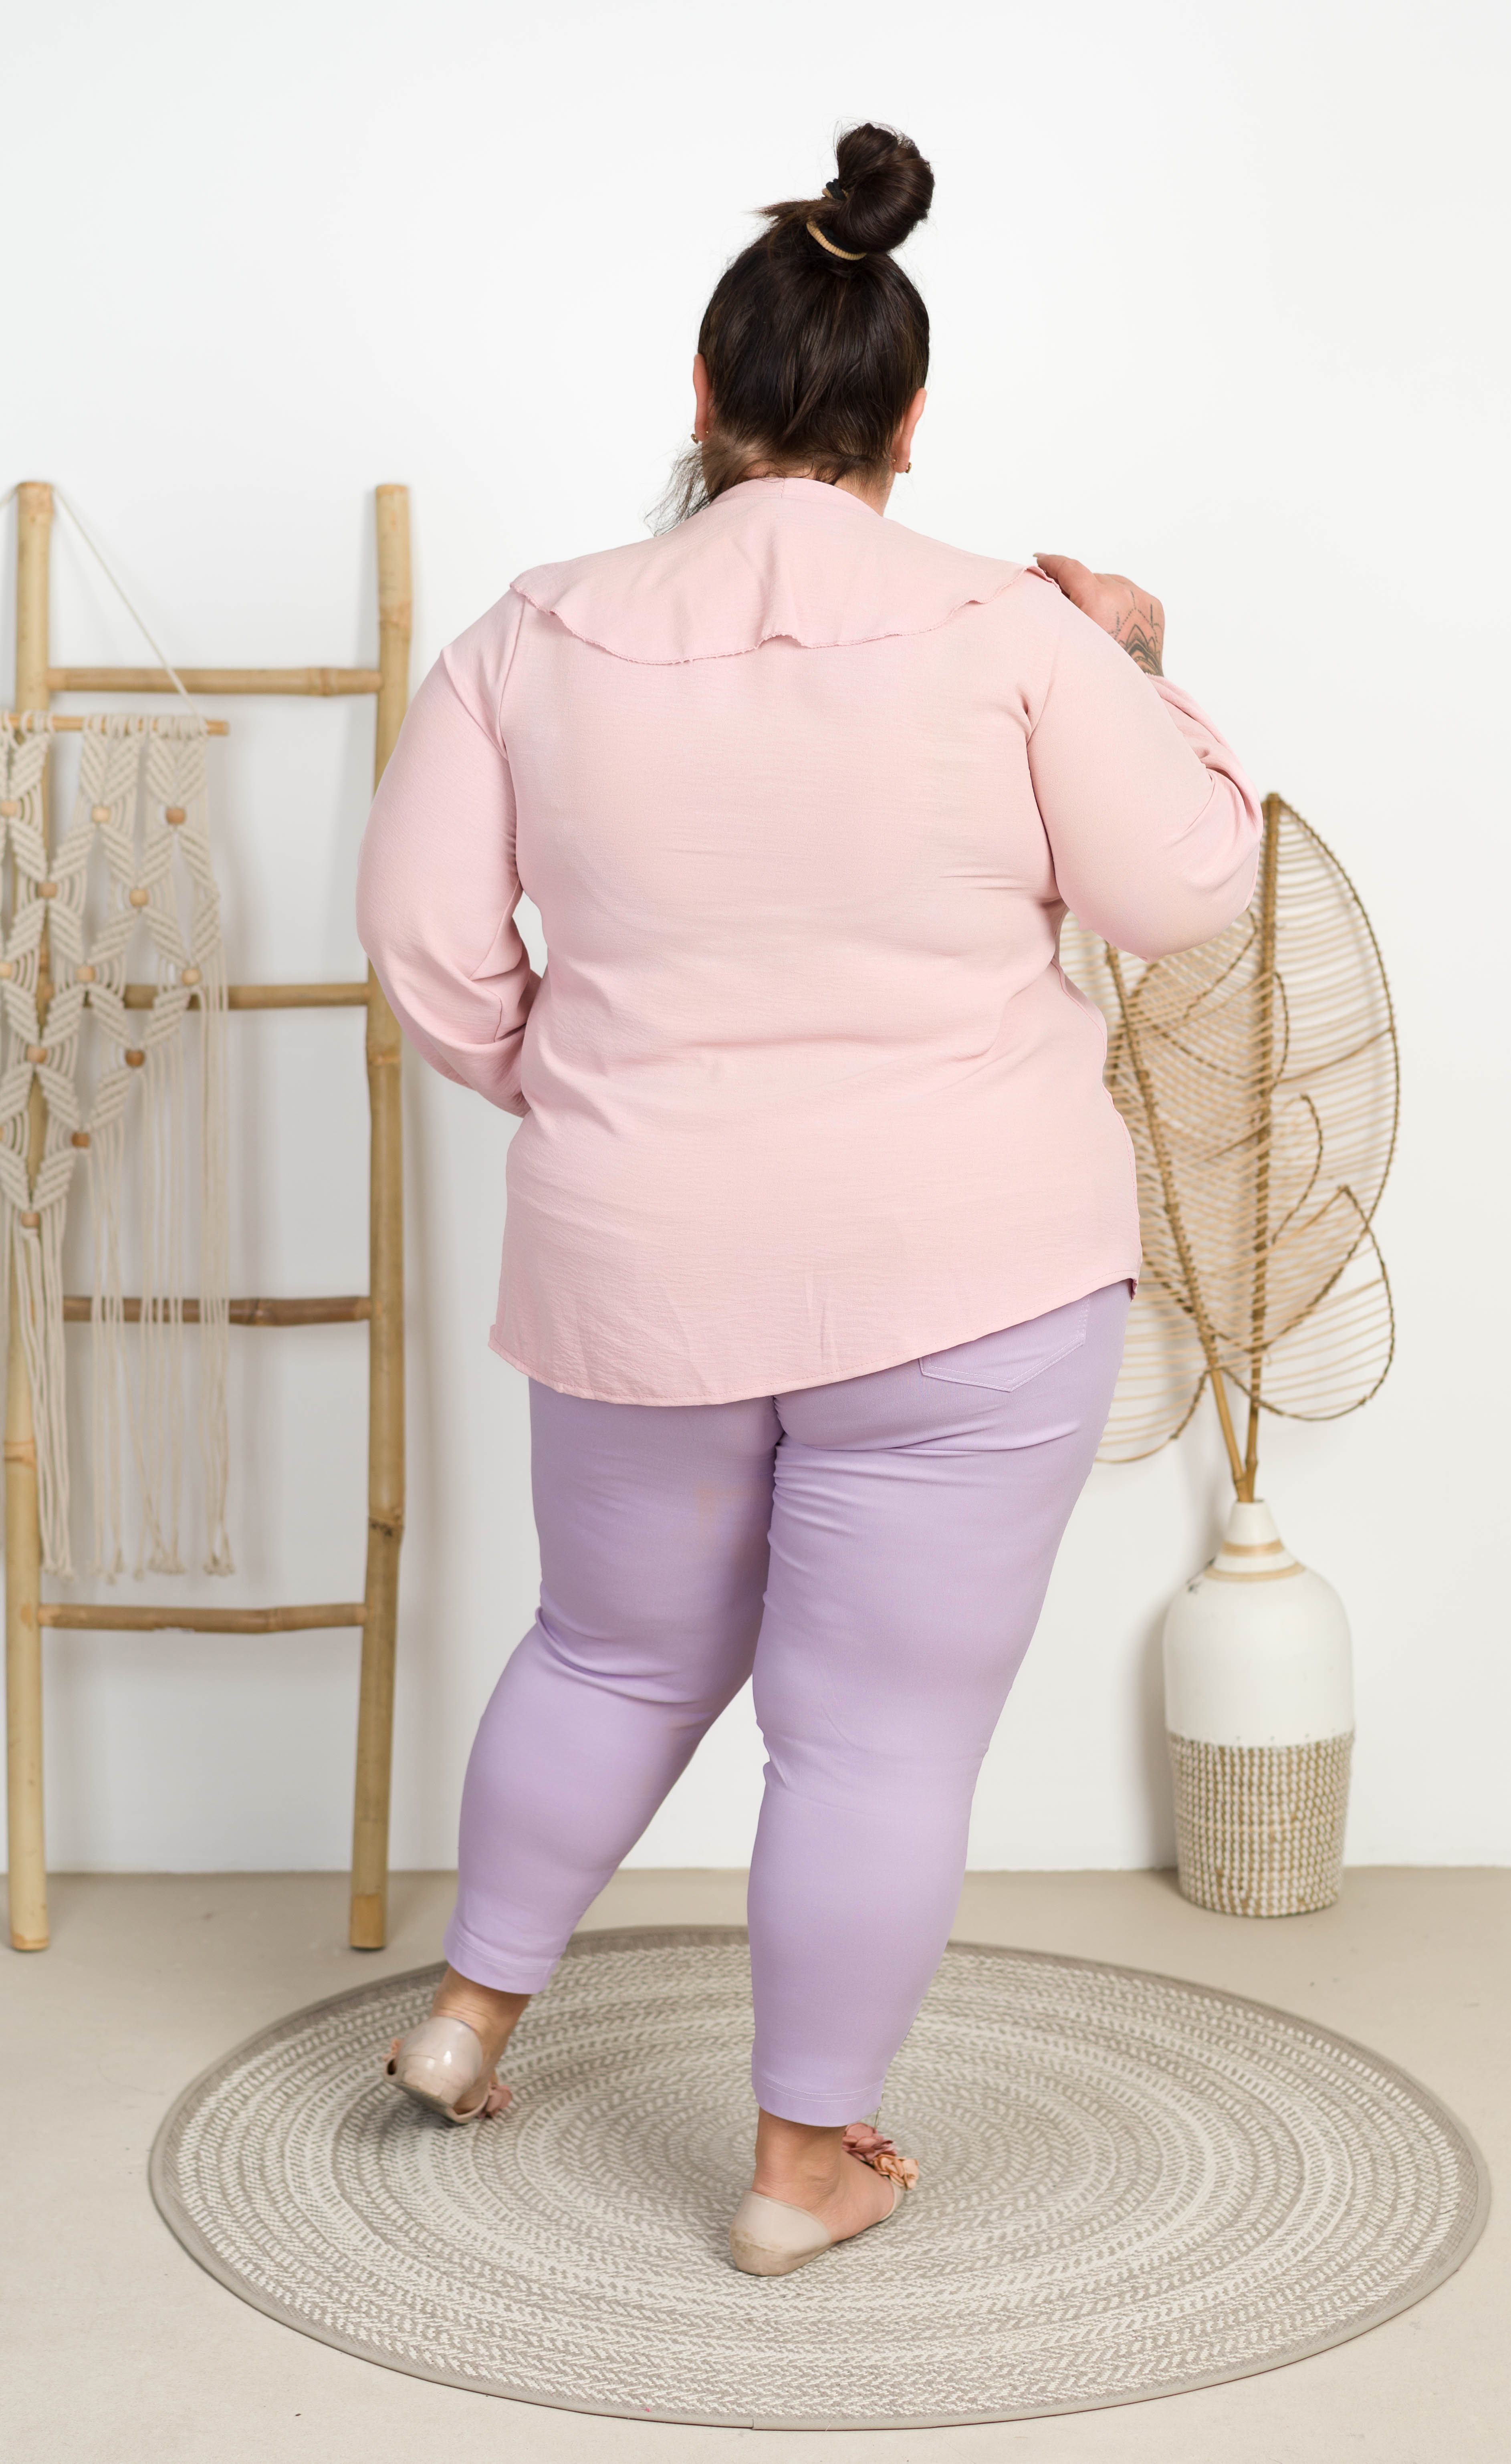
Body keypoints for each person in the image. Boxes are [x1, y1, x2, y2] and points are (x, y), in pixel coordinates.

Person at [356, 122, 1260, 2278]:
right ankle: (800, 2164)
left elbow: (423, 945)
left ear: (704, 395)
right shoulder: (1017, 632)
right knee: (873, 1737)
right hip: (970, 1269)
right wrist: (1139, 659)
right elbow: (1181, 893)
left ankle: (469, 2017)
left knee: (605, 1649)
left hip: (638, 1260)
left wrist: (587, 1093)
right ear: (908, 419)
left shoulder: (532, 631)